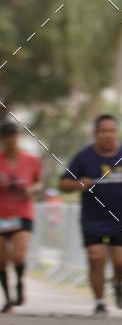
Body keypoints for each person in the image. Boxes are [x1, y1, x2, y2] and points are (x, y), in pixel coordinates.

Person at [58, 114, 122, 317]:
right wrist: (78, 184)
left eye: (112, 131)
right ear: (95, 134)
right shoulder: (83, 157)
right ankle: (100, 302)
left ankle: (118, 284)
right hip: (93, 220)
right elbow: (63, 184)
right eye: (103, 131)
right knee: (96, 258)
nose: (108, 135)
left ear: (116, 133)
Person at [0, 121, 43, 313]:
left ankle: (18, 282)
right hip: (1, 214)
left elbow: (39, 183)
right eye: (6, 136)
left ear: (17, 137)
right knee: (1, 260)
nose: (10, 140)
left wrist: (32, 189)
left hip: (22, 214)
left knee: (18, 255)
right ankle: (8, 300)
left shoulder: (31, 160)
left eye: (13, 136)